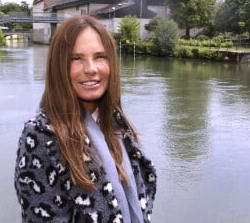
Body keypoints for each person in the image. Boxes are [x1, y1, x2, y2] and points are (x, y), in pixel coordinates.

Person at [14, 15, 157, 222]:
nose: (90, 69)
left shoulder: (116, 125)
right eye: (76, 58)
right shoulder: (41, 137)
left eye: (100, 56)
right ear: (59, 67)